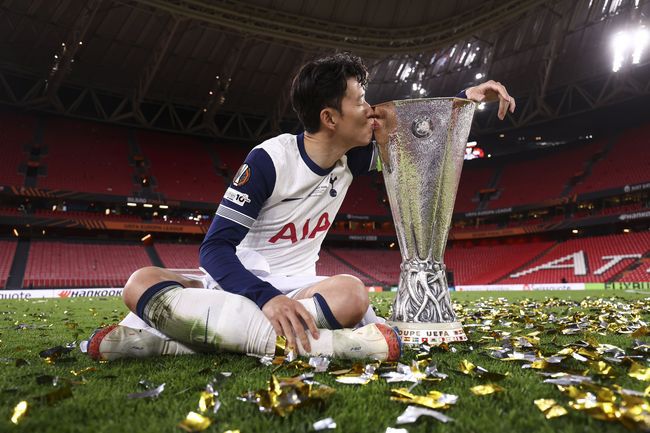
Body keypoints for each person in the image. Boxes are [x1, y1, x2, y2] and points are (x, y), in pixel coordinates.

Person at [85, 53, 515, 363]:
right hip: (241, 286)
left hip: (301, 292)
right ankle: (323, 345)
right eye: (360, 100)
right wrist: (266, 299)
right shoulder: (269, 160)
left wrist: (467, 98)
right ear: (330, 118)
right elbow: (214, 250)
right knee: (140, 282)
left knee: (351, 293)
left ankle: (171, 342)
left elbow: (421, 137)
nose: (370, 109)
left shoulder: (353, 159)